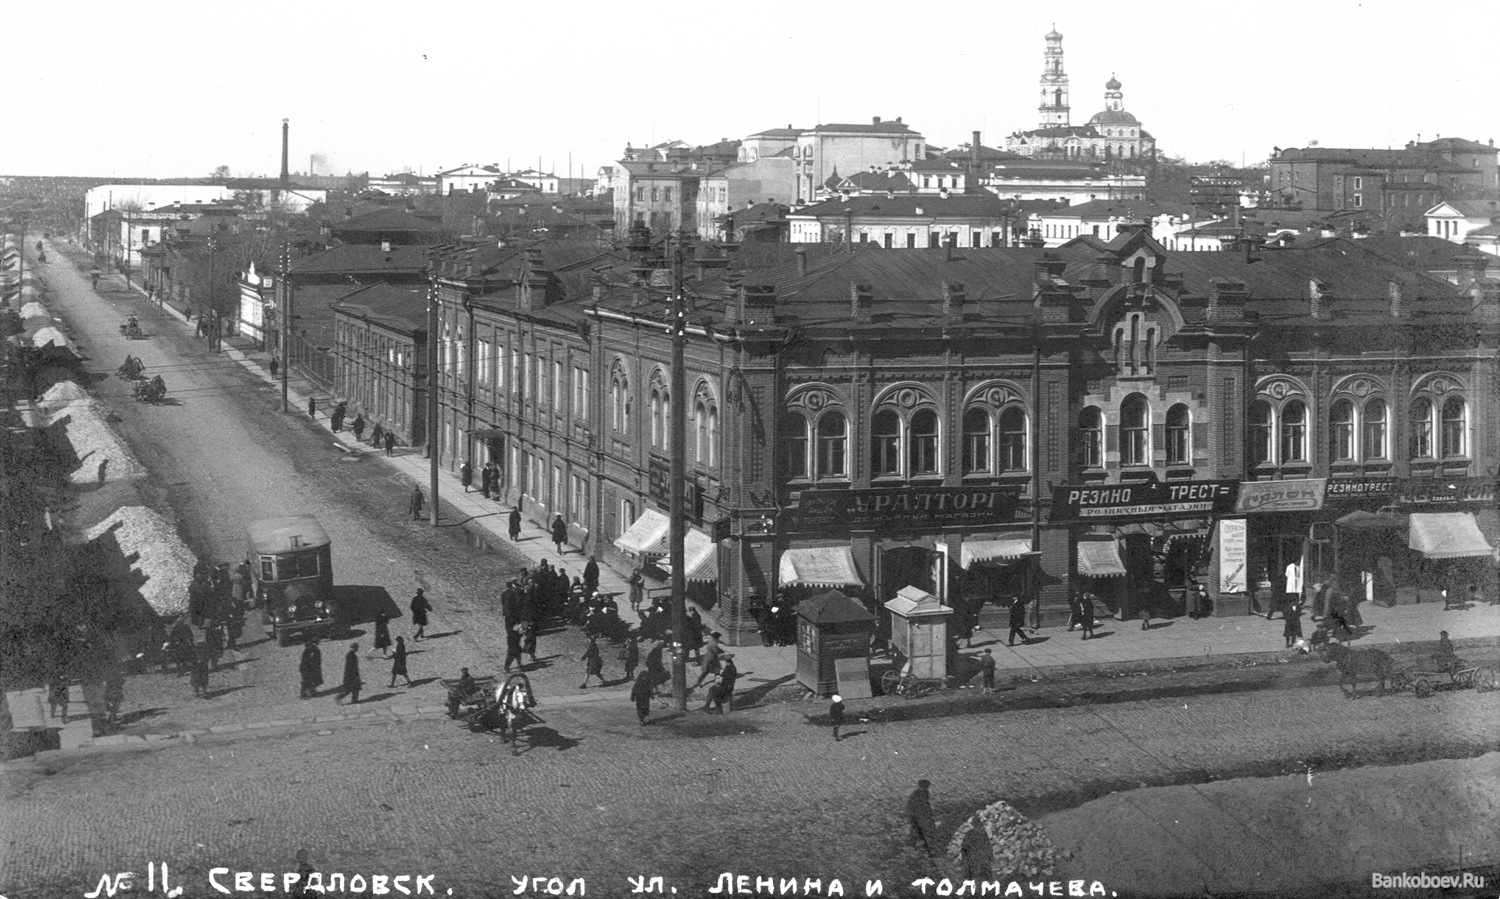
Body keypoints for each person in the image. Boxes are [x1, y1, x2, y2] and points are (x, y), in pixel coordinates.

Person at [906, 780, 937, 856]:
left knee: (919, 830)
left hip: (921, 815)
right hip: (919, 816)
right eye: (926, 786)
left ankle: (917, 846)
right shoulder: (919, 794)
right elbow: (913, 805)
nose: (927, 788)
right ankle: (916, 846)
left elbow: (926, 804)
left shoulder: (922, 793)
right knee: (919, 830)